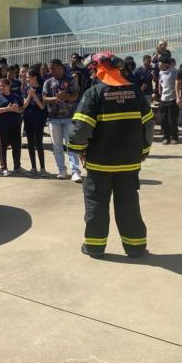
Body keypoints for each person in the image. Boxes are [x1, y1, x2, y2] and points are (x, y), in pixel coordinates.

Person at [68, 53, 154, 259]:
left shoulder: (94, 93)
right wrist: (143, 152)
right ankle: (135, 247)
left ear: (98, 69)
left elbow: (81, 129)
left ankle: (95, 247)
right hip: (129, 163)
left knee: (97, 204)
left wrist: (78, 149)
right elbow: (148, 125)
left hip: (100, 163)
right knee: (129, 203)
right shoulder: (135, 92)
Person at [43, 59, 82, 182]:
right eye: (50, 68)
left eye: (53, 68)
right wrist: (55, 98)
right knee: (57, 146)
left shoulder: (70, 80)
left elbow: (75, 96)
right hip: (53, 118)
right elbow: (44, 98)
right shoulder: (48, 82)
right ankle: (62, 170)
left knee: (71, 145)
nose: (51, 70)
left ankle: (75, 172)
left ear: (60, 67)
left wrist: (65, 96)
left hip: (69, 117)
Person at [0, 79, 24, 176]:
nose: (1, 87)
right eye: (0, 86)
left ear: (9, 86)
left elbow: (22, 108)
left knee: (16, 146)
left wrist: (17, 110)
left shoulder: (16, 96)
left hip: (15, 125)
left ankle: (17, 166)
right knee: (3, 146)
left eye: (3, 86)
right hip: (1, 126)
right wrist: (7, 109)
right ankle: (3, 167)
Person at [23, 68, 48, 175]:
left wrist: (34, 95)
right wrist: (29, 95)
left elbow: (42, 106)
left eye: (28, 77)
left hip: (39, 119)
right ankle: (33, 167)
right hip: (28, 118)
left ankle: (42, 168)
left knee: (39, 143)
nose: (27, 79)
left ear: (34, 77)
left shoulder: (43, 89)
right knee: (30, 143)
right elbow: (24, 105)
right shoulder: (26, 88)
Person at [156, 57, 179, 145]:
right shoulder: (161, 72)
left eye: (160, 64)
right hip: (163, 99)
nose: (158, 66)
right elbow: (160, 83)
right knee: (163, 119)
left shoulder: (174, 72)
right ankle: (166, 137)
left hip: (172, 99)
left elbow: (178, 84)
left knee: (172, 119)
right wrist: (159, 93)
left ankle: (174, 138)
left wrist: (178, 97)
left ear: (166, 64)